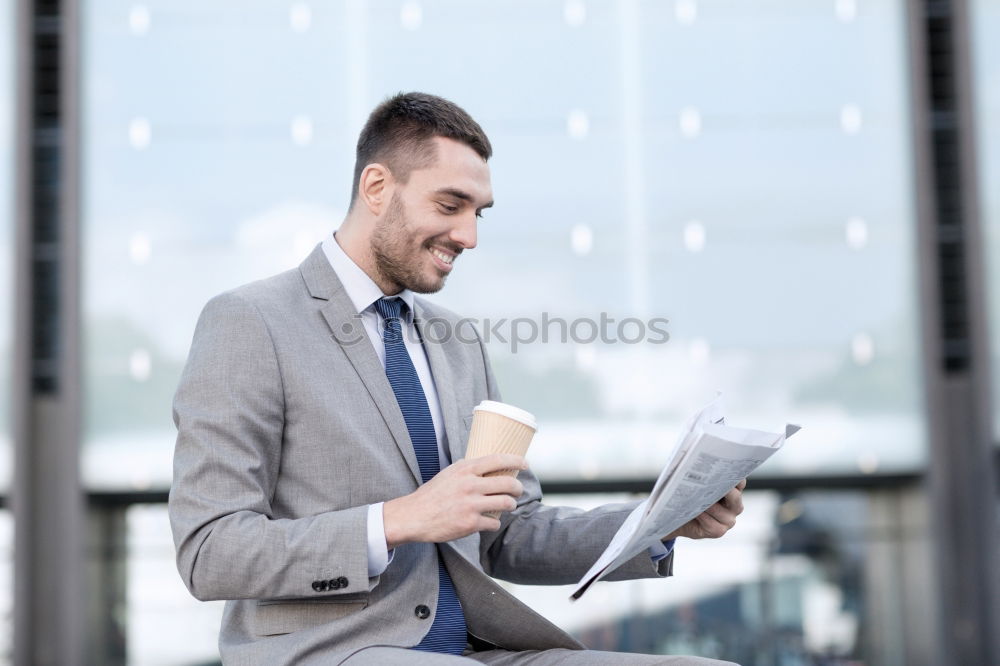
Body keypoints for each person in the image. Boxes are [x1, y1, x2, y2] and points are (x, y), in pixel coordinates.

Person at [168, 92, 744, 666]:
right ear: (376, 188)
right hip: (331, 652)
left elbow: (508, 533)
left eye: (479, 213)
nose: (469, 236)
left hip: (473, 651)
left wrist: (660, 522)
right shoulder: (251, 322)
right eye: (450, 205)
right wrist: (397, 521)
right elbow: (210, 550)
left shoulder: (457, 343)